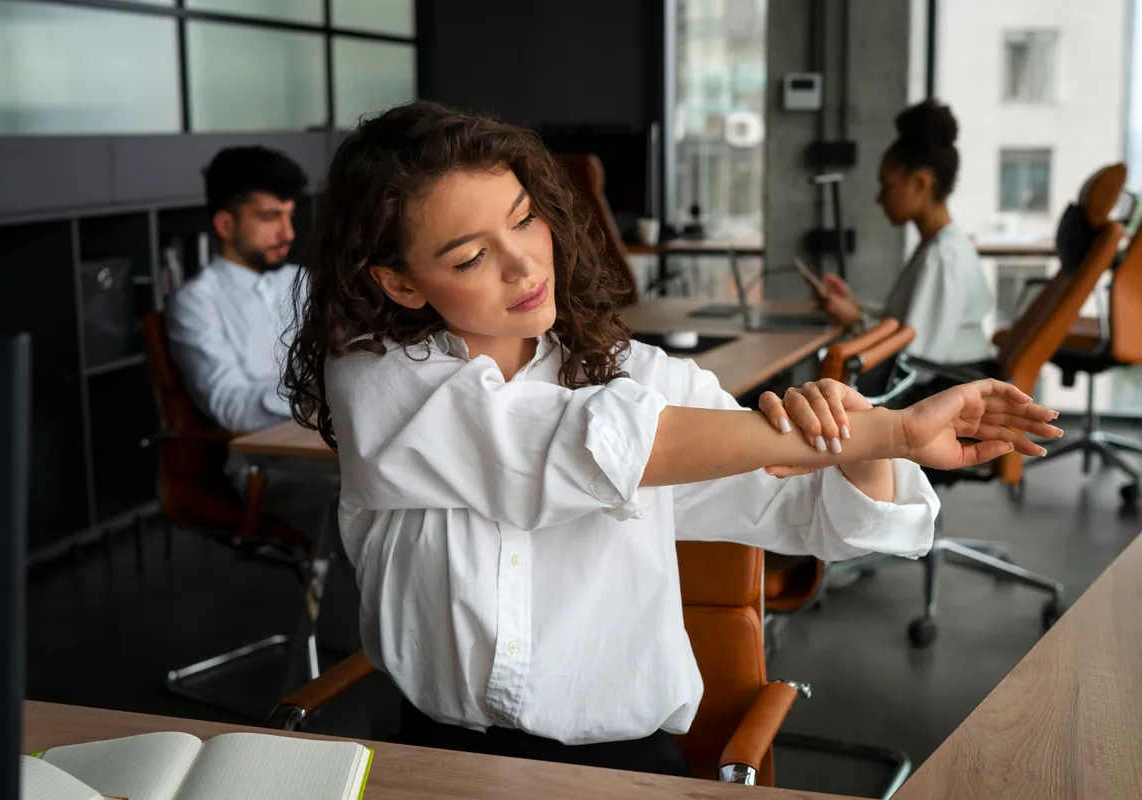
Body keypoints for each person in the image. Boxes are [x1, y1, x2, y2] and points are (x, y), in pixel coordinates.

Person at [282, 101, 1061, 776]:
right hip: (438, 759)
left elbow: (812, 516)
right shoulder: (376, 377)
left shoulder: (643, 377)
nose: (524, 264)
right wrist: (893, 425)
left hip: (624, 765)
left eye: (524, 219)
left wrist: (858, 442)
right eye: (472, 255)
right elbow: (560, 447)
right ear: (400, 281)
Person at [166, 146, 334, 541]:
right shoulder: (197, 302)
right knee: (370, 503)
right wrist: (314, 393)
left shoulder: (302, 281)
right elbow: (230, 406)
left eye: (289, 216)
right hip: (271, 468)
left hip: (330, 445)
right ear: (226, 224)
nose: (288, 233)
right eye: (270, 217)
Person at [817, 99, 996, 380]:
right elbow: (906, 323)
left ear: (922, 183)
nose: (879, 198)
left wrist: (855, 321)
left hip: (947, 387)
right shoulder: (939, 247)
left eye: (887, 185)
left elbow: (915, 360)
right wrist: (857, 306)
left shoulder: (944, 256)